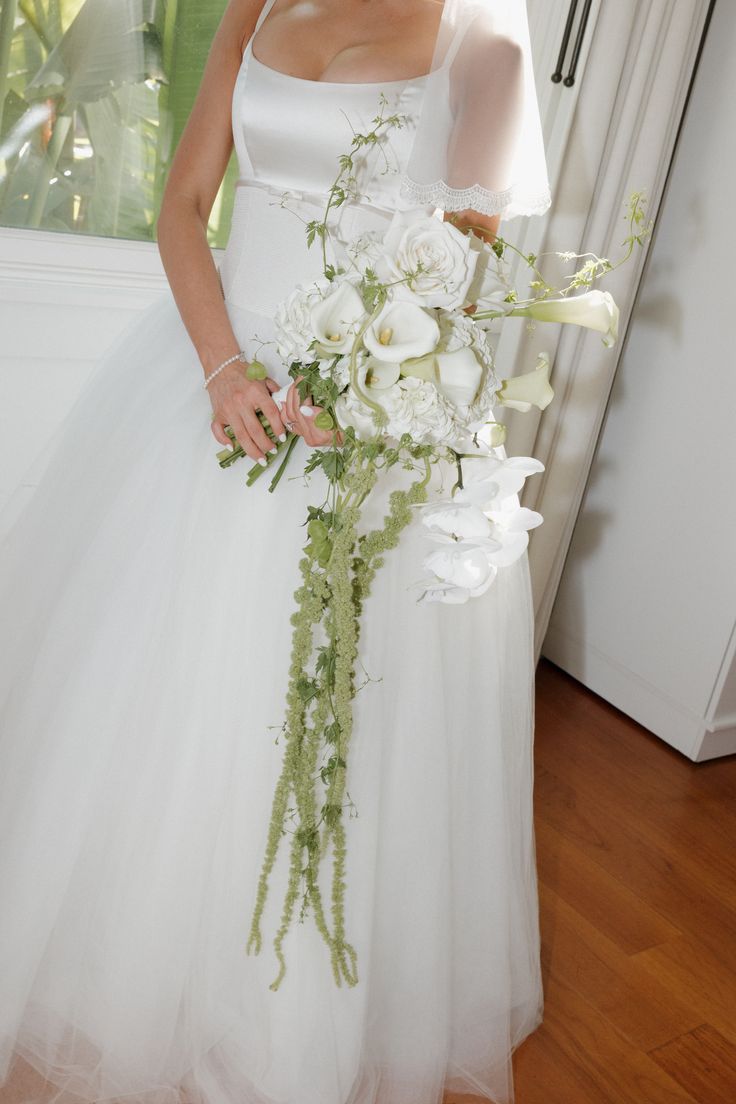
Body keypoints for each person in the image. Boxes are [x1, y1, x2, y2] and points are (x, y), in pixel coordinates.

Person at [0, 1, 552, 1102]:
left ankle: (279, 1014)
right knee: (162, 715)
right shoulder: (252, 6)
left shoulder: (483, 46)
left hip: (365, 425)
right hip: (212, 392)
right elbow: (184, 205)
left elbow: (458, 273)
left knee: (321, 725)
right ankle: (140, 969)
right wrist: (222, 369)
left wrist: (353, 392)